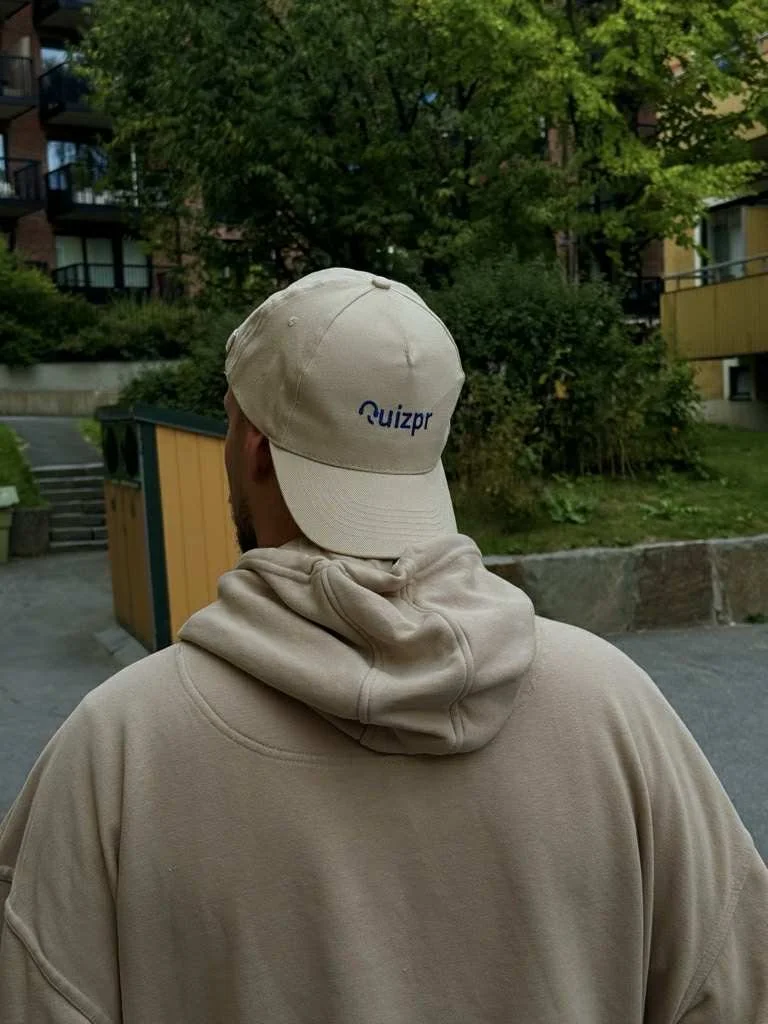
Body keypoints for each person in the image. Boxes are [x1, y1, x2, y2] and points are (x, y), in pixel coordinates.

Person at [0, 268, 766, 1023]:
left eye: (229, 418)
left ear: (254, 447)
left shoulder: (118, 750)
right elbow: (736, 987)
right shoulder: (617, 713)